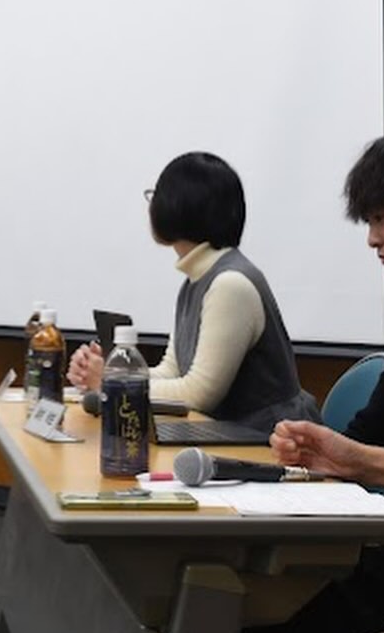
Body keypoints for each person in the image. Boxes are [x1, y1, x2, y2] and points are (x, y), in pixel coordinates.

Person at [234, 129, 384, 633]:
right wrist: (315, 452)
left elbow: (363, 453)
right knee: (262, 605)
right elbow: (377, 428)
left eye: (382, 218)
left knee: (282, 628)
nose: (372, 238)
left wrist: (353, 459)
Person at [68, 151, 319, 431]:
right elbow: (173, 371)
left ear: (178, 206)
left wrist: (113, 382)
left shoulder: (230, 284)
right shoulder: (197, 280)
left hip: (272, 441)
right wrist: (113, 372)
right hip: (238, 436)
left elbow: (199, 394)